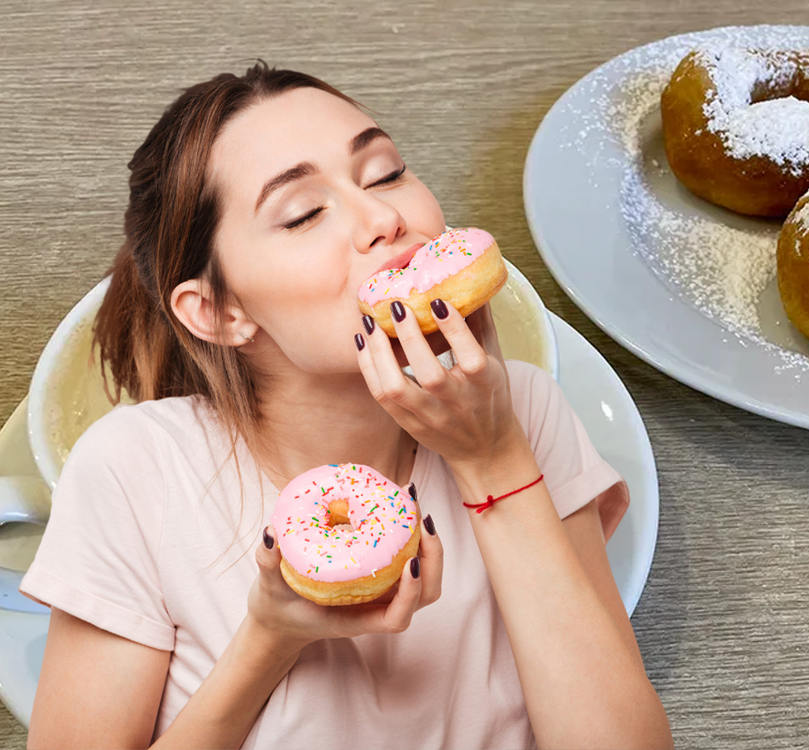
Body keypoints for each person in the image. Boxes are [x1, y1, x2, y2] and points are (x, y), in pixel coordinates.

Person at [19, 61, 672, 749]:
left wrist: (493, 459)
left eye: (386, 172)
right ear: (218, 311)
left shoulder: (519, 412)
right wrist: (270, 638)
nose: (384, 219)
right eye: (302, 214)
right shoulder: (136, 469)